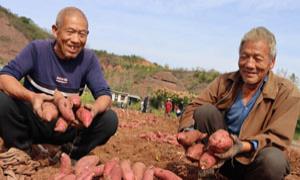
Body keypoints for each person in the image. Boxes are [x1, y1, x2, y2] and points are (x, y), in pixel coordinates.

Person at [178, 27, 300, 180]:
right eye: (244, 56)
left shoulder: (287, 92)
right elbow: (193, 107)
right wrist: (189, 131)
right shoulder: (225, 81)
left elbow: (278, 138)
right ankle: (208, 173)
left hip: (253, 164)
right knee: (204, 112)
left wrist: (240, 146)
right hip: (219, 158)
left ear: (271, 63)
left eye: (257, 58)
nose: (249, 64)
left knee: (274, 160)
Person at [0, 7, 118, 160]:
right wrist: (32, 97)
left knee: (109, 119)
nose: (76, 40)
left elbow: (105, 95)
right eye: (70, 32)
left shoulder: (88, 59)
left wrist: (93, 111)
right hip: (35, 120)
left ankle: (69, 152)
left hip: (69, 125)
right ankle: (23, 148)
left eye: (82, 34)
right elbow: (4, 77)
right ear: (55, 31)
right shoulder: (37, 50)